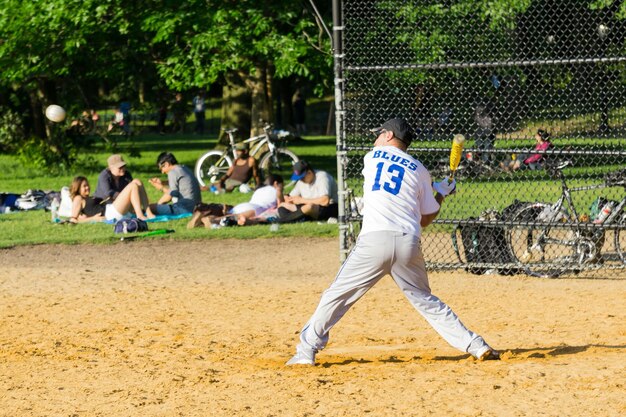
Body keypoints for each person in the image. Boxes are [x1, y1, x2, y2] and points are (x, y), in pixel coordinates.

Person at [286, 118, 499, 366]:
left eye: (380, 134)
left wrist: (435, 189)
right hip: (408, 242)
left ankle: (305, 352)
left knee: (336, 296)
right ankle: (475, 344)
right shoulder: (419, 169)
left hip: (374, 241)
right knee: (425, 300)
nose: (375, 138)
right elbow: (426, 218)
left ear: (388, 136)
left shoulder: (370, 157)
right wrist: (441, 192)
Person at [188, 174, 284, 228]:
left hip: (244, 205)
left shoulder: (259, 190)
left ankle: (202, 221)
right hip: (256, 208)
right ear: (276, 183)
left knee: (227, 216)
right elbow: (281, 208)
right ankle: (210, 220)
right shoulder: (277, 190)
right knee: (234, 217)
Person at [69, 176, 154, 224]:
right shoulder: (78, 198)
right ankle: (140, 216)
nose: (87, 187)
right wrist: (93, 219)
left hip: (112, 209)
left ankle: (148, 212)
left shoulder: (87, 198)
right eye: (84, 186)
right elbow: (73, 220)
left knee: (137, 181)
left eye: (87, 185)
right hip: (110, 213)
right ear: (77, 188)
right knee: (133, 186)